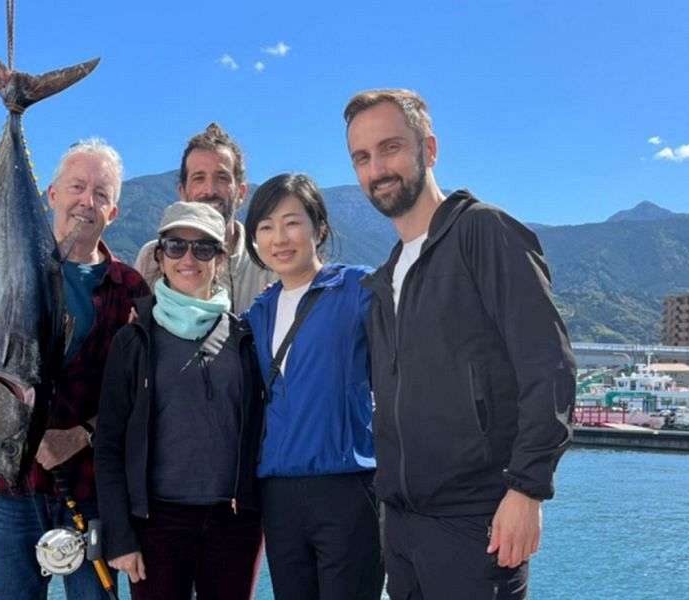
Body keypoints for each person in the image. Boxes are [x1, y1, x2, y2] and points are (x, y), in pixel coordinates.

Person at [343, 88, 576, 599]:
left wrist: (527, 489)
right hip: (402, 525)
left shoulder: (483, 234)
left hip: (477, 521)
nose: (377, 168)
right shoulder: (386, 276)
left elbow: (551, 366)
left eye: (391, 148)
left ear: (429, 149)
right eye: (362, 157)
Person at [0, 138, 150, 599]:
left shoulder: (131, 289)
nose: (87, 201)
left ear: (114, 212)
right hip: (8, 486)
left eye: (101, 194)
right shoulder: (4, 268)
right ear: (52, 195)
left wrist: (80, 434)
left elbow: (141, 396)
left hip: (89, 489)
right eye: (77, 186)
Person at [95, 201, 265, 600]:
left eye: (204, 248)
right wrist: (120, 536)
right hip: (156, 524)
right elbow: (108, 445)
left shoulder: (245, 338)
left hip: (234, 522)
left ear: (220, 260)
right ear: (160, 257)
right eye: (176, 246)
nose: (189, 258)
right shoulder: (133, 341)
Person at [242, 173, 384, 599]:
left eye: (291, 222)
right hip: (279, 494)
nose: (279, 238)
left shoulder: (358, 289)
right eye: (265, 227)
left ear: (318, 228)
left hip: (346, 485)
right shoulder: (259, 312)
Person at [133, 122, 276, 313]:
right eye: (199, 178)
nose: (209, 190)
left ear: (241, 192)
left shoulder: (268, 266)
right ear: (182, 192)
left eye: (222, 178)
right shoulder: (151, 258)